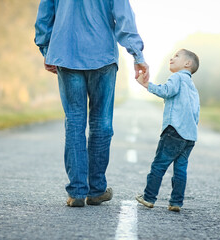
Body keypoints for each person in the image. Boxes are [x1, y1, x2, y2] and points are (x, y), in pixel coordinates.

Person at [34, 0, 149, 207]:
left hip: (65, 53)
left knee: (75, 122)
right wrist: (137, 55)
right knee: (102, 123)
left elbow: (44, 17)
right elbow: (124, 18)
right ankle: (96, 190)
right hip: (102, 55)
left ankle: (77, 192)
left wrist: (46, 49)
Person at [135, 49, 199, 212]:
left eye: (177, 56)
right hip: (190, 135)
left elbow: (166, 91)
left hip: (174, 130)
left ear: (187, 63)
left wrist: (146, 85)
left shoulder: (177, 77)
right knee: (180, 169)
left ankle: (149, 197)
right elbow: (196, 112)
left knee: (159, 165)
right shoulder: (192, 86)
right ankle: (176, 202)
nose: (172, 58)